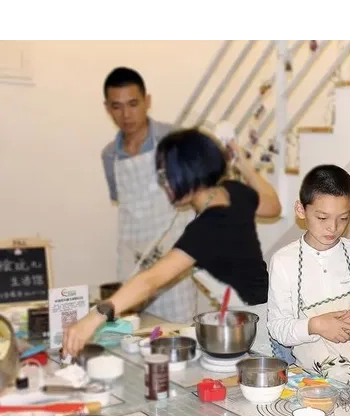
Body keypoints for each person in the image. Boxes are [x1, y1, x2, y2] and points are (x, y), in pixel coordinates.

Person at [63, 129, 281, 356]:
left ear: (188, 172)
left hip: (257, 332)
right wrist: (244, 164)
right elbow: (273, 205)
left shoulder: (209, 226)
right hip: (264, 315)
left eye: (166, 174)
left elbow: (151, 280)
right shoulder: (232, 191)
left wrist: (95, 316)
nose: (163, 183)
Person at [267, 165, 350, 394]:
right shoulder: (283, 261)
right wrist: (316, 325)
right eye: (322, 217)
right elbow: (277, 327)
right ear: (301, 210)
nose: (333, 227)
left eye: (343, 218)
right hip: (313, 385)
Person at [101, 67, 196, 324]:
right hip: (133, 260)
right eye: (117, 106)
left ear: (147, 101)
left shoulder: (173, 140)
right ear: (107, 108)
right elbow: (122, 202)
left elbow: (197, 195)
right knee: (131, 331)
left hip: (172, 262)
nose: (126, 115)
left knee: (177, 331)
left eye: (133, 104)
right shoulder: (109, 155)